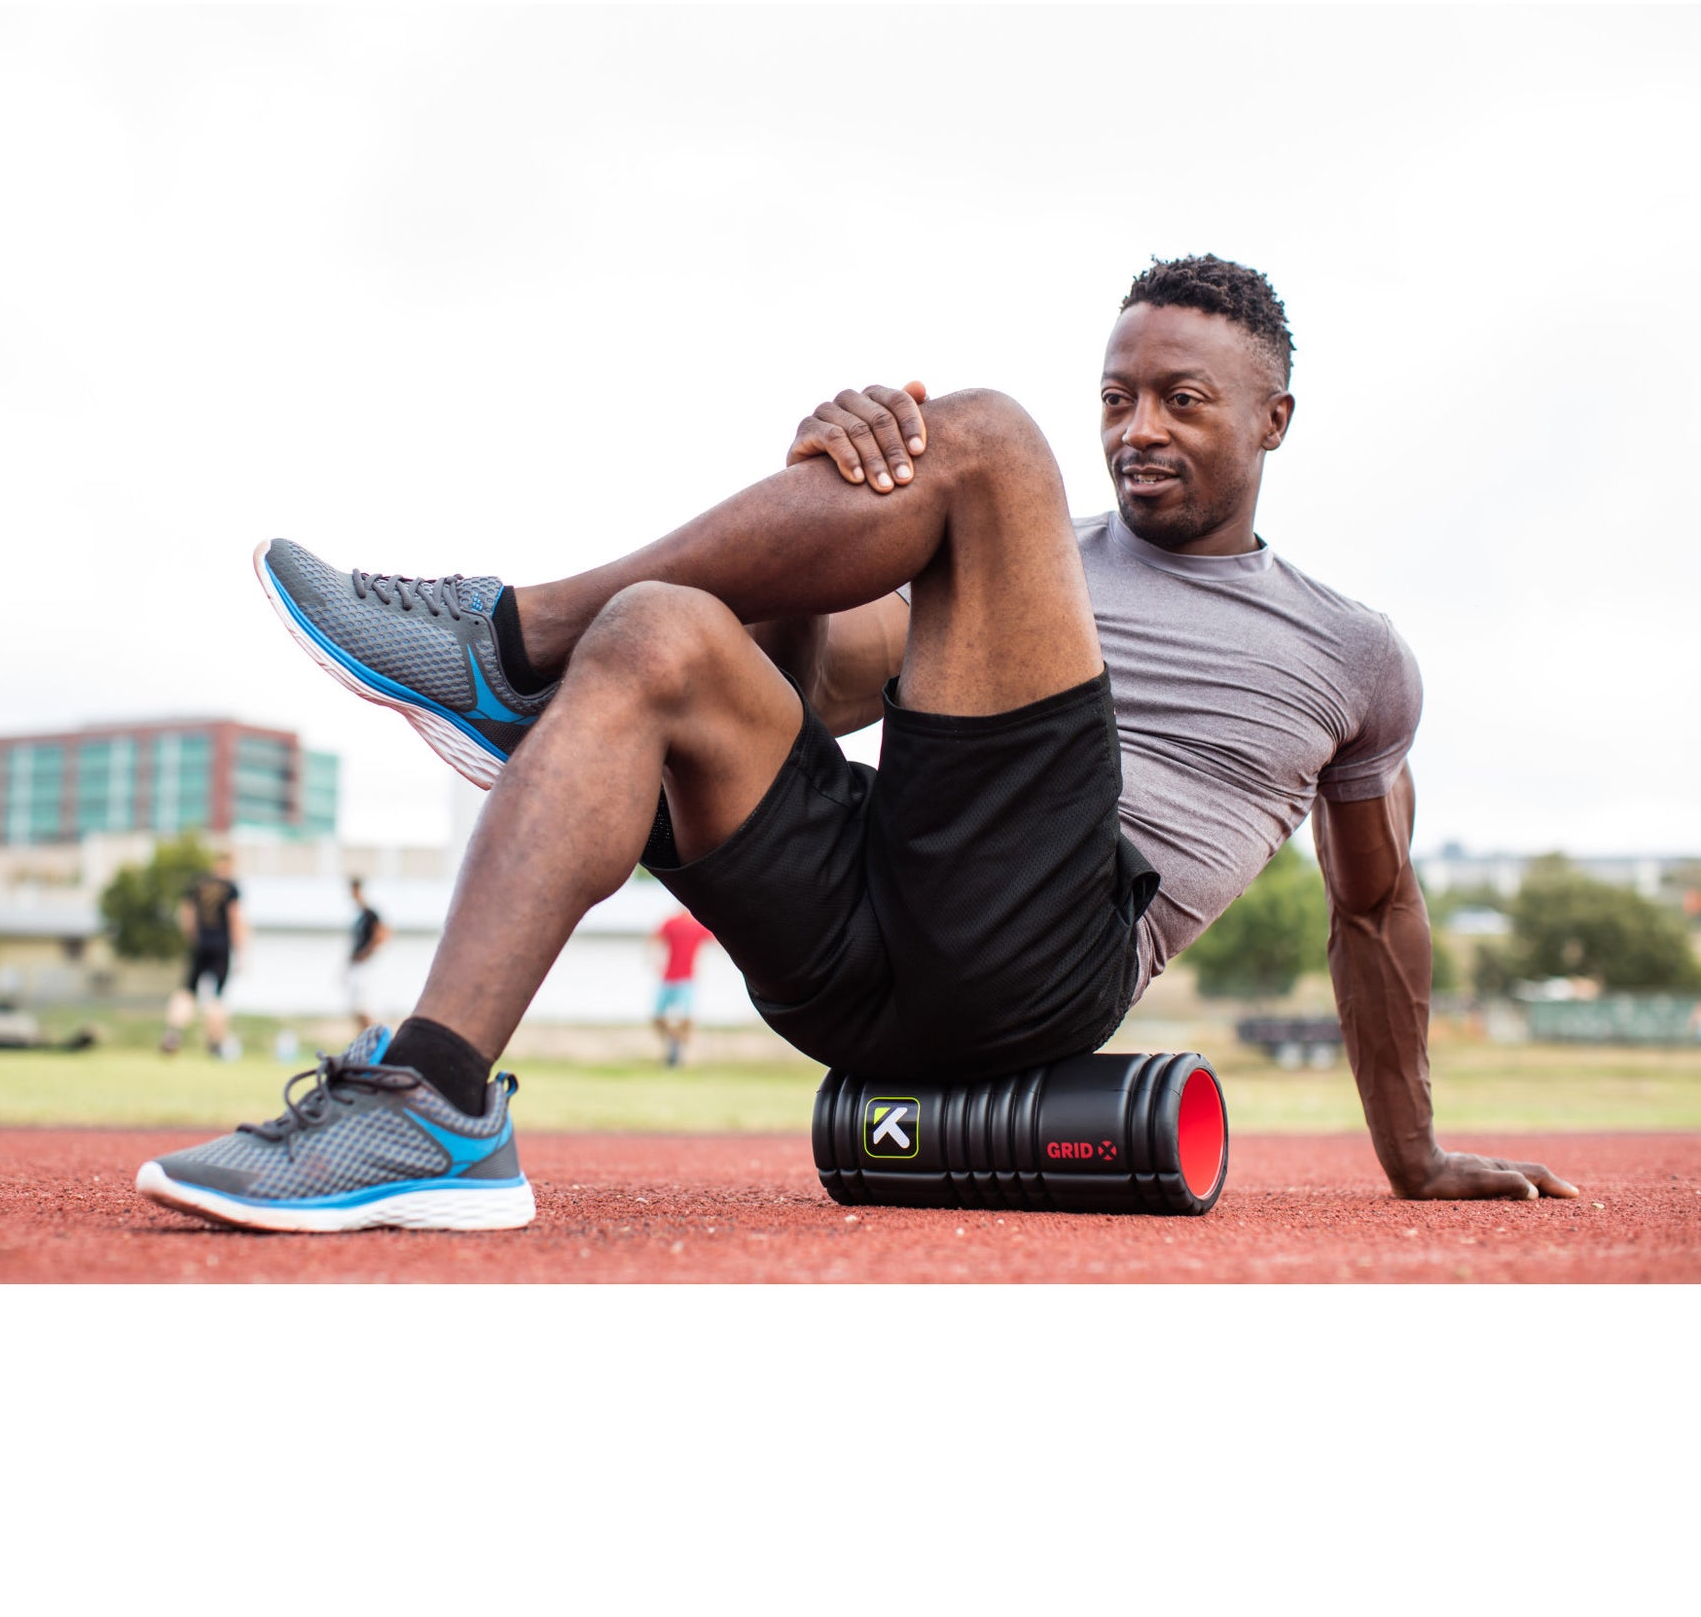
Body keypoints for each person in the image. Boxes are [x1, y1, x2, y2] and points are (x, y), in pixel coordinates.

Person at [137, 254, 1579, 1232]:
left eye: (1180, 400)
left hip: (1044, 963)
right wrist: (818, 493)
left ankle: (511, 645)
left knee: (984, 439)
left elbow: (1374, 906)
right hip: (855, 960)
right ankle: (431, 1102)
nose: (1135, 428)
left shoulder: (1347, 650)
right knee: (658, 633)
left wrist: (1414, 1154)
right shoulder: (1014, 562)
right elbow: (805, 696)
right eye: (1116, 397)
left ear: (1274, 419)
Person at [160, 847, 246, 1058]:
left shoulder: (198, 884)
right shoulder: (230, 887)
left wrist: (194, 938)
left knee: (187, 991)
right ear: (230, 865)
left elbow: (186, 915)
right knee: (217, 996)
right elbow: (235, 918)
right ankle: (215, 1043)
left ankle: (173, 1033)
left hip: (200, 945)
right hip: (221, 946)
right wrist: (240, 951)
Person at [650, 908, 711, 1066]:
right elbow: (654, 939)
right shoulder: (671, 923)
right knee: (658, 1017)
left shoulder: (697, 925)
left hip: (686, 978)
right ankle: (670, 1045)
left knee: (686, 1018)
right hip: (668, 977)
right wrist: (655, 959)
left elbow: (714, 939)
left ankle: (682, 1052)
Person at [344, 877, 390, 1033]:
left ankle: (373, 1038)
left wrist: (366, 953)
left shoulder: (371, 914)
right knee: (356, 1007)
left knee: (363, 1007)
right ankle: (363, 1037)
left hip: (364, 967)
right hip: (356, 966)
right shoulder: (360, 917)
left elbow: (383, 933)